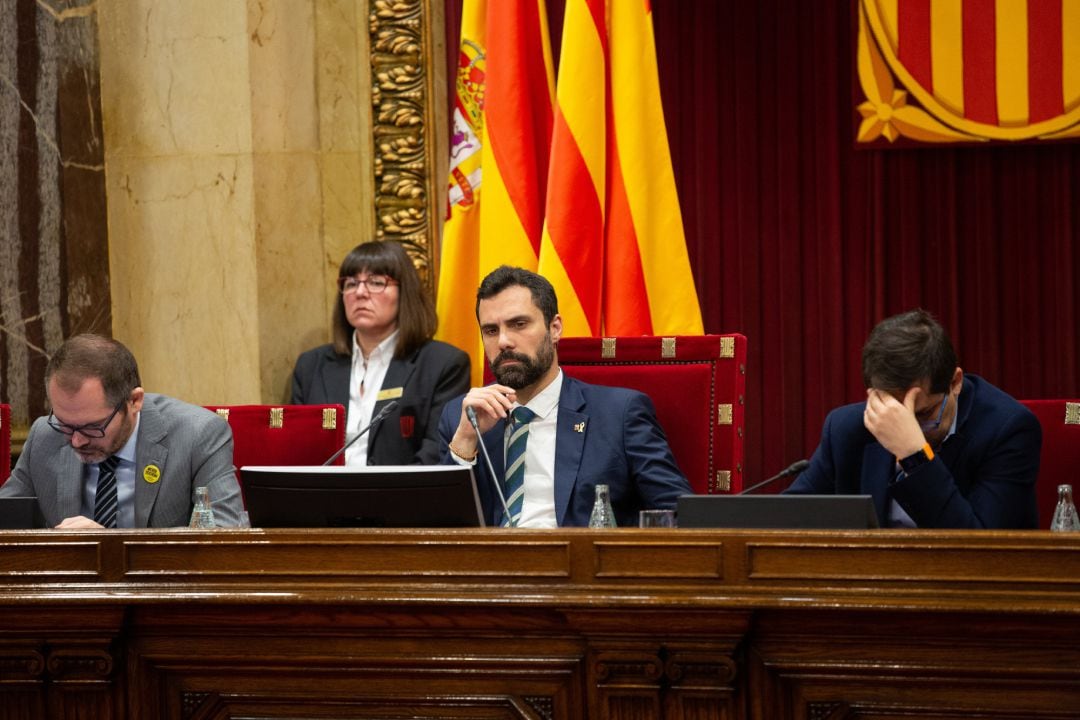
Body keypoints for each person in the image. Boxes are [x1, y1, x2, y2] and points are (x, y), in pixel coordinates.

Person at [438, 265, 690, 527]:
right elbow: (436, 531)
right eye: (491, 330)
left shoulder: (619, 414)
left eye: (519, 324)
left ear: (555, 328)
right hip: (487, 565)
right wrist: (465, 443)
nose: (503, 341)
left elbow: (679, 514)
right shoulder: (463, 419)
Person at [787, 309, 1041, 528]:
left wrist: (915, 456)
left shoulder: (1008, 429)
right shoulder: (848, 428)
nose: (903, 426)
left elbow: (981, 550)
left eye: (922, 414)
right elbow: (786, 520)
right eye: (893, 412)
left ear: (955, 383)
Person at [1, 334, 244, 528]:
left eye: (92, 427)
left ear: (134, 401)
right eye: (65, 424)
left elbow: (223, 539)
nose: (76, 440)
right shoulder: (44, 436)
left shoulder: (198, 435)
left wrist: (110, 548)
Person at [292, 240, 470, 465]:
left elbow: (437, 451)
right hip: (322, 496)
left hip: (403, 497)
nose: (360, 292)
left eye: (376, 282)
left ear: (404, 292)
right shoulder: (311, 366)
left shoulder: (443, 364)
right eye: (350, 283)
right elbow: (297, 451)